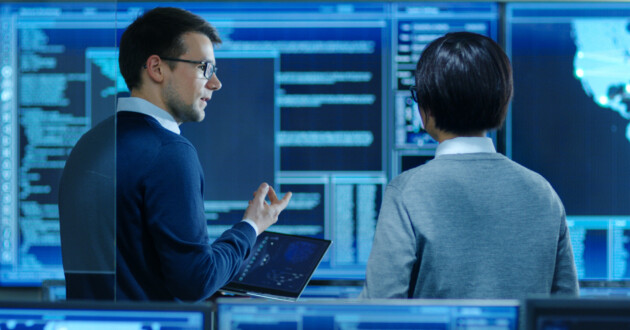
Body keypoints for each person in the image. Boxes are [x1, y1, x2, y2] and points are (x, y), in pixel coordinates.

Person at [58, 7, 291, 301]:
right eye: (204, 68)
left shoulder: (89, 143)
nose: (215, 83)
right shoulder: (169, 152)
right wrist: (251, 226)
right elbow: (196, 281)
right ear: (156, 68)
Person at [360, 32, 578, 299]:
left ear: (426, 107)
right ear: (503, 101)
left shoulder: (406, 192)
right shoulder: (543, 193)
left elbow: (379, 309)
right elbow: (565, 310)